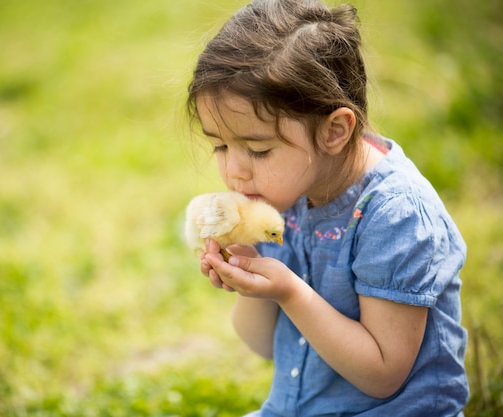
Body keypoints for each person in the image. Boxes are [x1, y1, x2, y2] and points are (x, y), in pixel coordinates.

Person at [185, 0, 469, 416]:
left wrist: (289, 291)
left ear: (334, 130)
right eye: (220, 145)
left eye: (258, 150)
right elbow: (261, 345)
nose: (233, 172)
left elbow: (383, 374)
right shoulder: (279, 198)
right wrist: (250, 275)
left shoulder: (395, 214)